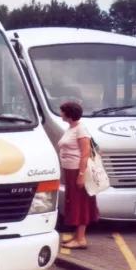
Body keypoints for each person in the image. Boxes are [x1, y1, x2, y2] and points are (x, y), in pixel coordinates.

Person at [58, 101, 99, 249]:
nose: (60, 113)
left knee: (80, 203)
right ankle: (77, 235)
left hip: (77, 170)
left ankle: (81, 239)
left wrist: (81, 175)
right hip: (70, 171)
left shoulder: (81, 129)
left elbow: (85, 154)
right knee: (73, 202)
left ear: (68, 113)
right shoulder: (71, 128)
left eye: (62, 111)